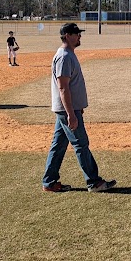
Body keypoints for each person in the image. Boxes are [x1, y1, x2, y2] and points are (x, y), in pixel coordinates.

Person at [42, 22, 116, 193]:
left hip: (69, 109)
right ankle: (94, 182)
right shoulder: (64, 56)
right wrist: (71, 114)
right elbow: (63, 87)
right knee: (81, 144)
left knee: (58, 145)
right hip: (67, 110)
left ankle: (49, 182)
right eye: (76, 33)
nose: (79, 36)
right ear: (67, 35)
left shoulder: (68, 54)